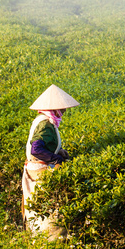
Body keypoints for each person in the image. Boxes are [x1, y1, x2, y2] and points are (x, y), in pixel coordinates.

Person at [22, 84, 79, 239]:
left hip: (34, 168)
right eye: (62, 109)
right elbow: (36, 149)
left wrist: (58, 151)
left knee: (40, 209)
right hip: (39, 172)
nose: (64, 111)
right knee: (51, 212)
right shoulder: (46, 124)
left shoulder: (44, 120)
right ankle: (52, 242)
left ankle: (42, 240)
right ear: (55, 109)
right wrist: (56, 158)